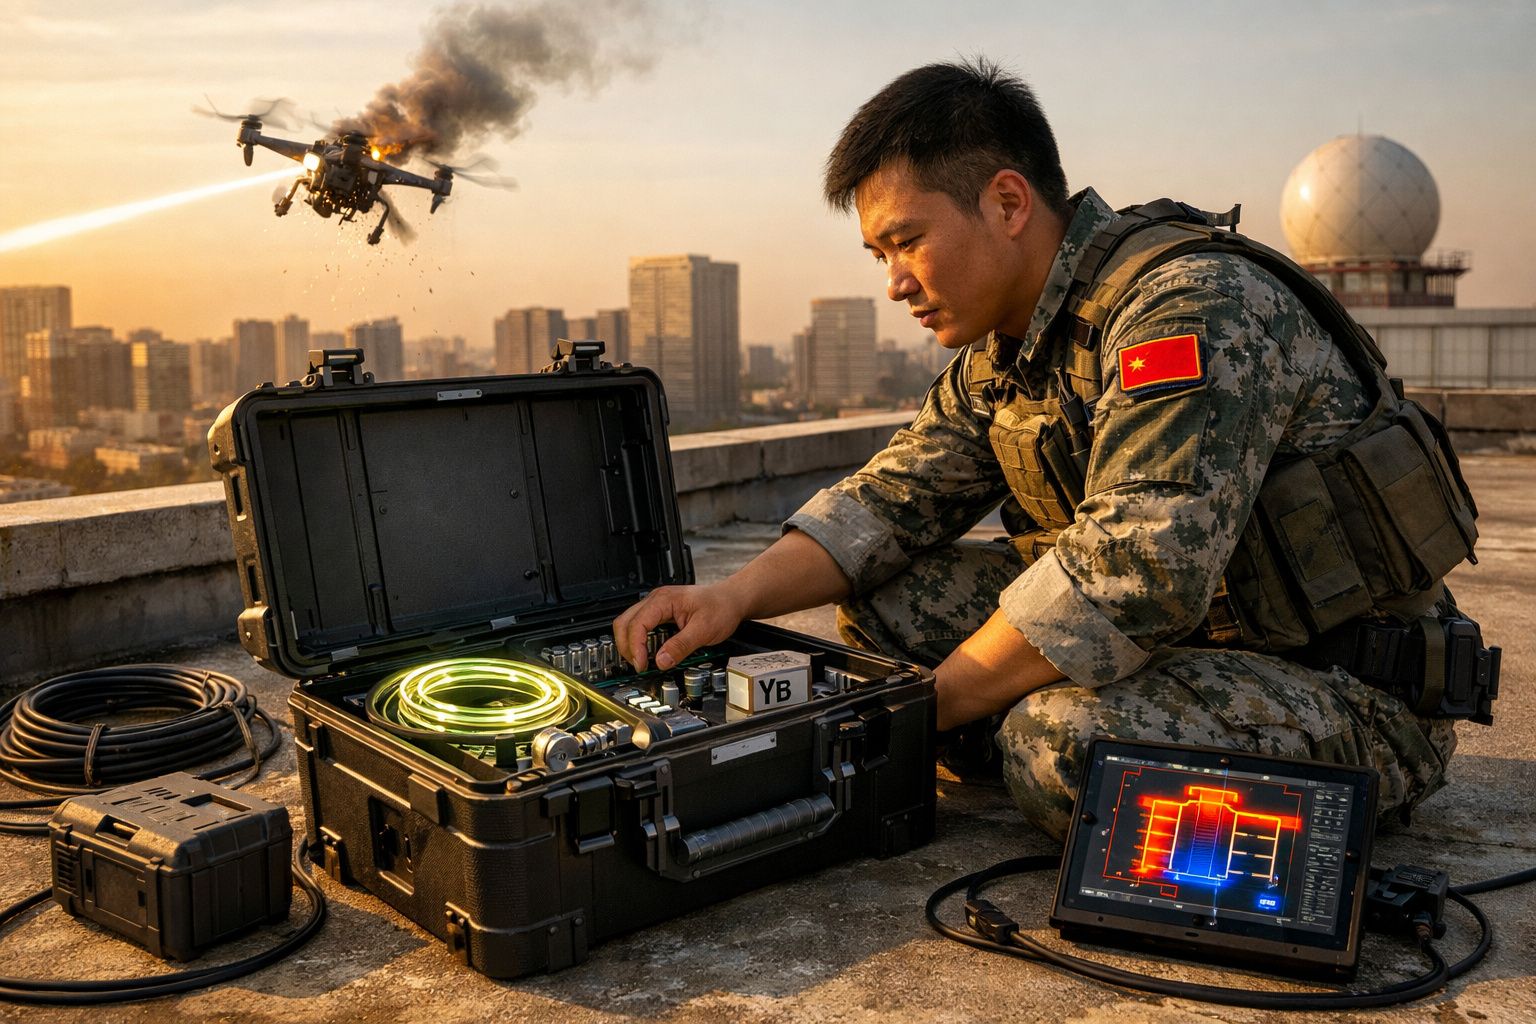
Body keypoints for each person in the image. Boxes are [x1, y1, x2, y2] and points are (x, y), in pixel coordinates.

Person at [613, 58, 1467, 841]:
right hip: (1197, 646)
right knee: (887, 609)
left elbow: (1133, 570)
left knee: (1058, 744)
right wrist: (727, 598)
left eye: (908, 242)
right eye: (881, 253)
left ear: (1009, 204)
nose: (894, 282)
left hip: (1348, 689)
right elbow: (888, 502)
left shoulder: (1187, 309)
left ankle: (1022, 738)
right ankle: (1010, 723)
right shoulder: (1008, 349)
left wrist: (907, 713)